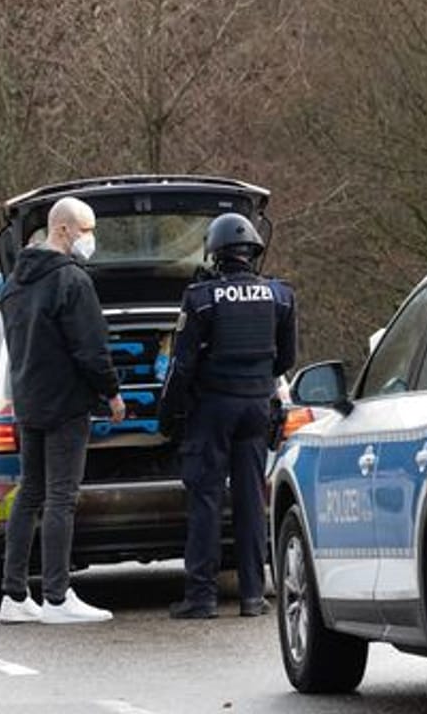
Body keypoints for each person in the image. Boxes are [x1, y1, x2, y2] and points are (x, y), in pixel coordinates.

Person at [159, 212, 297, 619]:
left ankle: (201, 598)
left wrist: (167, 416)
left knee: (205, 500)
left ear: (215, 254)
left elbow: (181, 368)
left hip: (212, 410)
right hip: (256, 409)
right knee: (252, 500)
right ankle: (254, 596)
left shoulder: (200, 298)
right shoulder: (280, 295)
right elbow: (286, 358)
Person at [0, 195, 126, 625]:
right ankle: (56, 596)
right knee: (61, 498)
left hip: (29, 400)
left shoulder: (15, 282)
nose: (91, 239)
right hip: (67, 403)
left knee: (29, 493)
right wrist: (111, 393)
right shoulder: (72, 281)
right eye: (86, 230)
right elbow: (90, 348)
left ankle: (14, 595)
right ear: (64, 229)